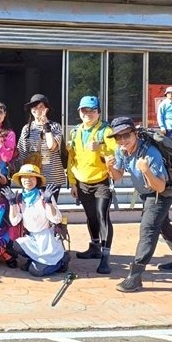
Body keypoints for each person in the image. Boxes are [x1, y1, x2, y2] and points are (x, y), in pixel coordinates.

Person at [106, 117, 172, 293]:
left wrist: (146, 170)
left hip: (161, 194)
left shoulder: (151, 153)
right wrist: (109, 167)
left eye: (126, 135)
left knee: (148, 229)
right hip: (147, 194)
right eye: (118, 137)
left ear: (135, 134)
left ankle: (135, 277)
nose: (122, 140)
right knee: (162, 224)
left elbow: (160, 186)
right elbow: (118, 176)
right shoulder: (121, 150)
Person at [66, 96, 117, 274]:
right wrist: (72, 182)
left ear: (99, 112)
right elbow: (72, 160)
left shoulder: (106, 131)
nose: (88, 113)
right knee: (91, 217)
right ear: (79, 112)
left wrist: (101, 149)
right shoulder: (75, 132)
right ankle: (94, 246)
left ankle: (105, 256)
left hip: (101, 181)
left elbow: (117, 153)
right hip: (82, 182)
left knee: (102, 216)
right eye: (84, 110)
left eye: (91, 110)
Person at [4, 164, 69, 277]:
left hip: (47, 239)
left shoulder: (44, 195)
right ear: (20, 180)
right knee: (16, 244)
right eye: (24, 177)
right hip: (32, 237)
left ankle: (62, 260)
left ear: (37, 180)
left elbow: (56, 218)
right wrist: (12, 203)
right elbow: (14, 221)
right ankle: (35, 259)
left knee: (35, 271)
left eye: (31, 177)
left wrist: (48, 202)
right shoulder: (20, 197)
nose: (28, 180)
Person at [17, 94, 65, 188]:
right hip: (33, 176)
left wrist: (46, 126)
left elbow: (52, 146)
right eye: (34, 106)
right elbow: (22, 153)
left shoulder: (55, 126)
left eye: (41, 106)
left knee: (49, 202)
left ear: (46, 109)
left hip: (52, 176)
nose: (37, 109)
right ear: (31, 109)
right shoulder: (27, 128)